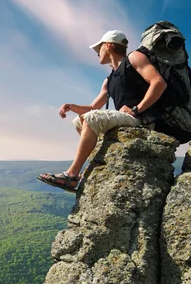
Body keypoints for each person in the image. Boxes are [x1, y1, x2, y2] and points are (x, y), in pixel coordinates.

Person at [38, 30, 167, 193]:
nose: (97, 53)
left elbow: (158, 83)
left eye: (99, 49)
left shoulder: (134, 58)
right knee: (80, 120)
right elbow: (93, 108)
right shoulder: (110, 79)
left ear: (109, 46)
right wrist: (72, 107)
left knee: (92, 118)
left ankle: (71, 175)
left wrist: (136, 109)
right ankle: (95, 160)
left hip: (143, 119)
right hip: (130, 117)